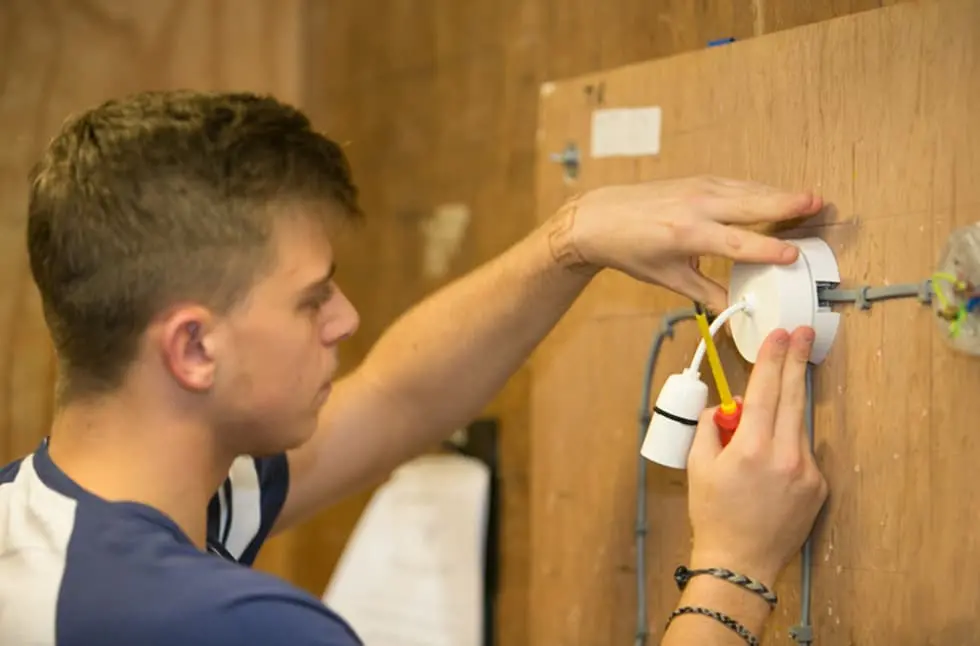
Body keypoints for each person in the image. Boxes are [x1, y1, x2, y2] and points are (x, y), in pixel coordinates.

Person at [0, 90, 827, 645]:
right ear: (192, 348)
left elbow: (396, 399)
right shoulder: (230, 624)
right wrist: (735, 568)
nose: (347, 318)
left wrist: (570, 241)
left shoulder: (46, 523)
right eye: (311, 298)